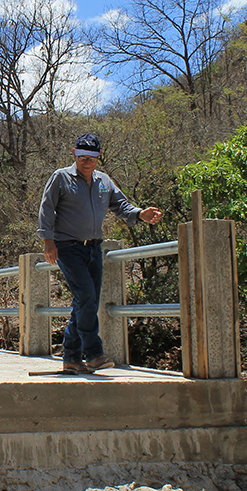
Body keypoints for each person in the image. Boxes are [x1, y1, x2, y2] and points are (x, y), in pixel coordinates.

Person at [37, 133, 163, 374]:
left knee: (87, 302)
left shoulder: (104, 181)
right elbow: (47, 208)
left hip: (94, 248)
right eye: (82, 156)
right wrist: (48, 242)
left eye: (92, 157)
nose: (87, 161)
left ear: (99, 157)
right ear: (74, 154)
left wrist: (140, 214)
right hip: (67, 246)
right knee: (85, 296)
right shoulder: (61, 177)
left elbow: (121, 206)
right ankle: (94, 354)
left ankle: (71, 357)